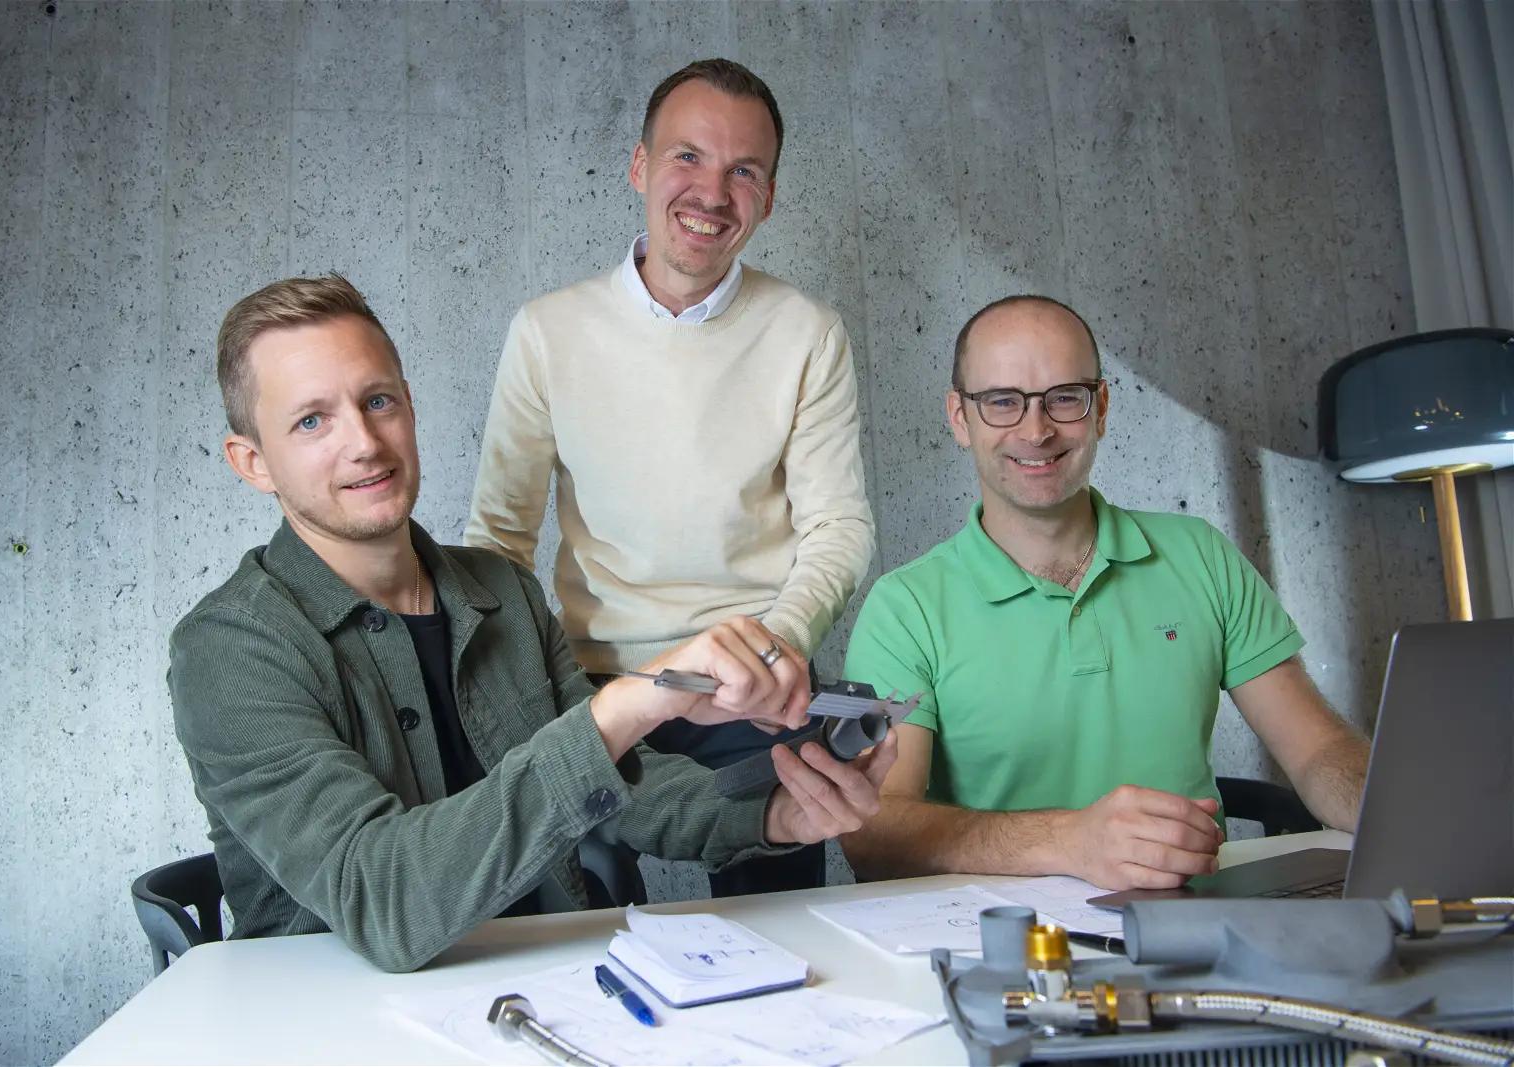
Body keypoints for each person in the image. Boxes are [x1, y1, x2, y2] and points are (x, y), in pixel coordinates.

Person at [168, 274, 894, 973]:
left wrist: (778, 816)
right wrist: (629, 702)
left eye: (377, 400)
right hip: (333, 1017)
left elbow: (630, 790)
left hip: (546, 989)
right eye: (312, 421)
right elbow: (386, 901)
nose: (363, 441)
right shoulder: (229, 650)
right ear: (253, 462)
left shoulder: (500, 592)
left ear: (410, 406)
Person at [465, 59, 874, 895]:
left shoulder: (809, 333)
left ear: (769, 197)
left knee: (782, 915)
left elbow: (839, 526)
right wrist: (522, 691)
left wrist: (775, 649)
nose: (712, 193)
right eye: (688, 157)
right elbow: (497, 540)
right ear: (639, 166)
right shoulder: (546, 331)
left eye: (744, 171)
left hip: (751, 689)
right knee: (573, 918)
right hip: (595, 684)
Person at [839, 294, 1369, 890]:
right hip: (997, 932)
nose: (1036, 431)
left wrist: (1400, 810)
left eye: (1065, 397)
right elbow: (875, 833)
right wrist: (1070, 840)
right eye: (1002, 402)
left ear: (1101, 409)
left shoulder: (1200, 555)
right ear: (960, 418)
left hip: (1195, 916)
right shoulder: (904, 608)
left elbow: (1318, 751)